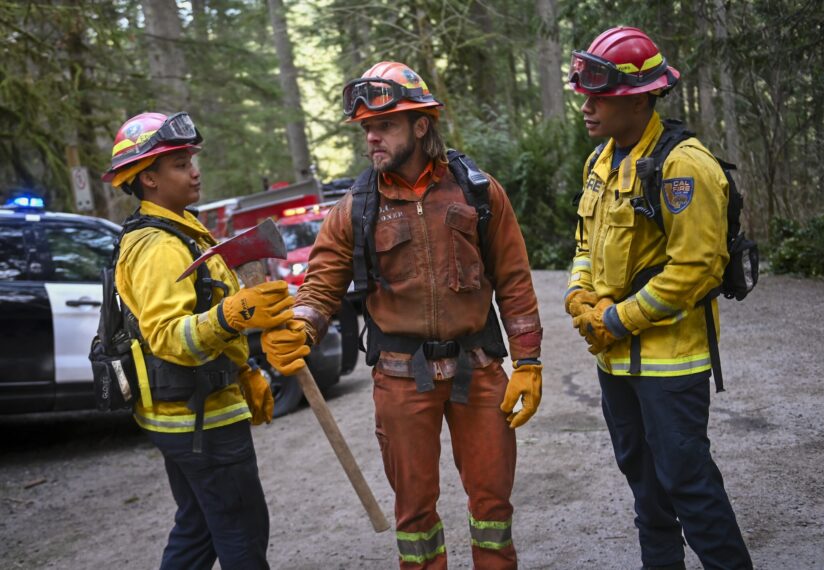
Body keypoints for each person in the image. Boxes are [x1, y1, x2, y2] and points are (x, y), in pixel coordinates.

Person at [262, 61, 543, 569]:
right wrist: (302, 323)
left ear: (420, 125)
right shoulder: (355, 208)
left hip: (478, 371)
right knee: (415, 518)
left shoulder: (478, 192)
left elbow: (515, 279)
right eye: (366, 128)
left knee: (493, 510)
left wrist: (528, 362)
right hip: (400, 378)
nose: (372, 137)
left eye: (384, 125)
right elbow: (321, 285)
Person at [564, 27, 753, 570]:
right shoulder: (599, 162)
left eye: (599, 96)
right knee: (645, 492)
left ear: (640, 96)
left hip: (671, 366)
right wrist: (578, 292)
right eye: (584, 94)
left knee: (689, 486)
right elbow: (585, 243)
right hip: (613, 362)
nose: (587, 106)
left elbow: (695, 270)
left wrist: (617, 320)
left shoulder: (684, 166)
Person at [101, 111, 308, 569]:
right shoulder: (158, 246)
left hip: (190, 415)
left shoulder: (181, 230)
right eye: (179, 164)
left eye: (191, 159)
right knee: (242, 534)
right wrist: (234, 315)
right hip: (200, 422)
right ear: (148, 178)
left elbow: (203, 314)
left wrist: (245, 371)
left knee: (199, 530)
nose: (194, 170)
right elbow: (169, 337)